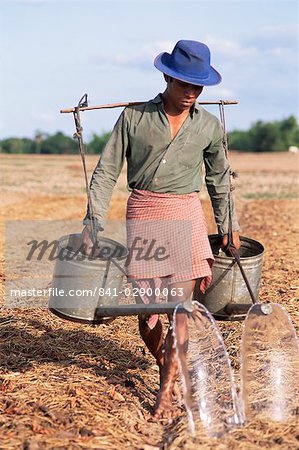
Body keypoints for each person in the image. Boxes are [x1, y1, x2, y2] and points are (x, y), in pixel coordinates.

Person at [81, 40, 240, 419]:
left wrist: (228, 226)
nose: (191, 92)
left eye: (198, 86)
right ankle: (166, 364)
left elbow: (219, 179)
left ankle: (168, 392)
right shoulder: (134, 118)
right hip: (145, 211)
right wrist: (93, 222)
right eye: (185, 83)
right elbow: (105, 172)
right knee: (149, 312)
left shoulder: (208, 126)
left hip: (186, 213)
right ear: (167, 75)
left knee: (180, 310)